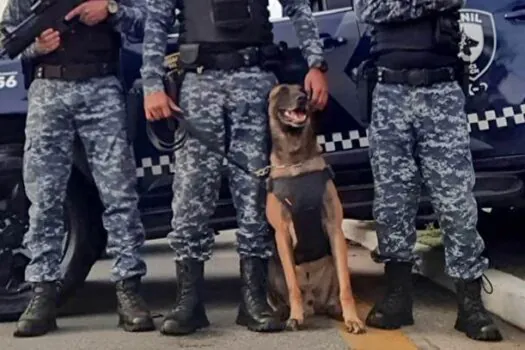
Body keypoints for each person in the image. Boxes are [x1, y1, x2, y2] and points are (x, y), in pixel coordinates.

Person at [141, 0, 329, 335]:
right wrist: (152, 85)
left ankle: (253, 300)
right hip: (200, 83)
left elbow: (298, 6)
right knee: (191, 194)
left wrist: (316, 63)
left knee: (256, 195)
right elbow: (156, 20)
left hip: (254, 82)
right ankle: (189, 302)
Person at [0, 0, 155, 337]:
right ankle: (42, 293)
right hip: (47, 92)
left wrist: (111, 11)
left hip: (102, 90)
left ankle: (128, 291)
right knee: (43, 199)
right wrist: (36, 47)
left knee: (120, 195)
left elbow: (148, 21)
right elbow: (7, 40)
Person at [354, 0, 503, 342]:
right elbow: (369, 10)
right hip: (389, 92)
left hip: (442, 93)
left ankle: (470, 306)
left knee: (456, 203)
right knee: (393, 202)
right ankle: (397, 298)